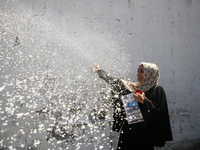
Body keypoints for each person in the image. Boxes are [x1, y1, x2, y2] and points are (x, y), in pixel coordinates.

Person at [91, 62, 173, 150]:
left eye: (142, 71)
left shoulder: (157, 90)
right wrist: (99, 71)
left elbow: (160, 114)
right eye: (138, 71)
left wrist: (144, 101)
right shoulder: (133, 88)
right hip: (128, 132)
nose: (138, 74)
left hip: (145, 136)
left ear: (151, 74)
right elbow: (114, 81)